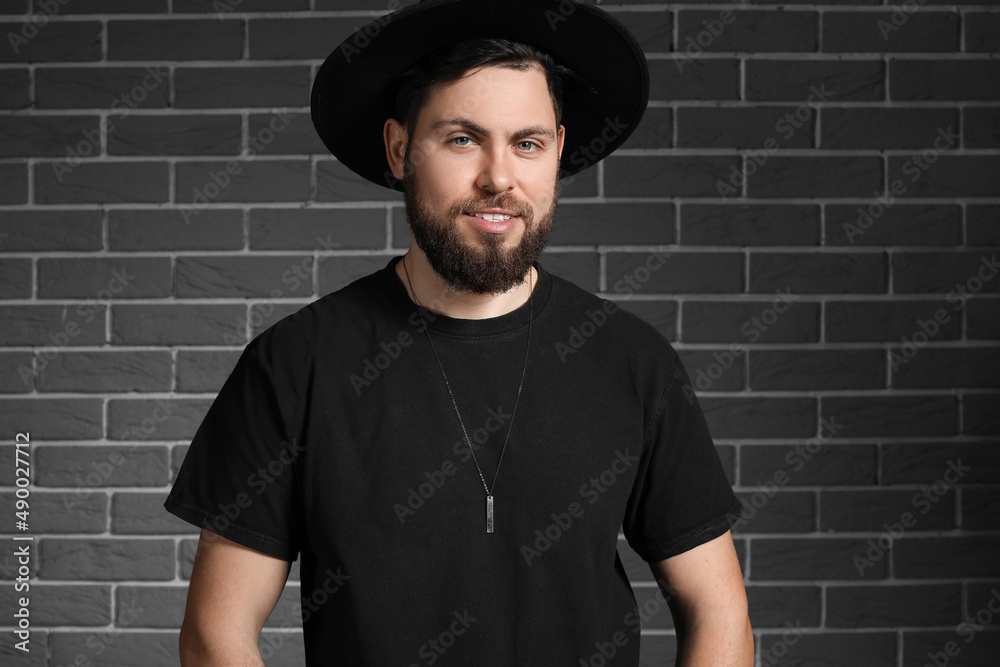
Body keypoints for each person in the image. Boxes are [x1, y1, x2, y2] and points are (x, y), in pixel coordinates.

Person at [164, 1, 753, 664]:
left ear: (557, 151)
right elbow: (217, 635)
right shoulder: (296, 364)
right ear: (398, 149)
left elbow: (719, 610)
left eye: (526, 143)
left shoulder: (633, 362)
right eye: (462, 138)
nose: (499, 178)